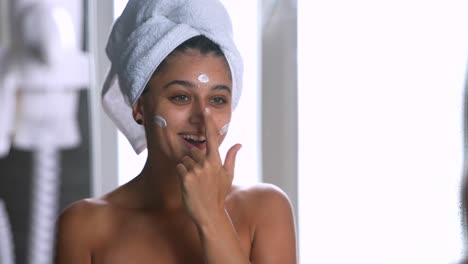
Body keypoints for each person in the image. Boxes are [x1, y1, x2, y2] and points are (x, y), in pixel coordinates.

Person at [55, 0, 297, 263]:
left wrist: (212, 217)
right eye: (181, 97)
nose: (203, 118)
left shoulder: (266, 210)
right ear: (140, 107)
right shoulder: (83, 227)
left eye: (217, 100)